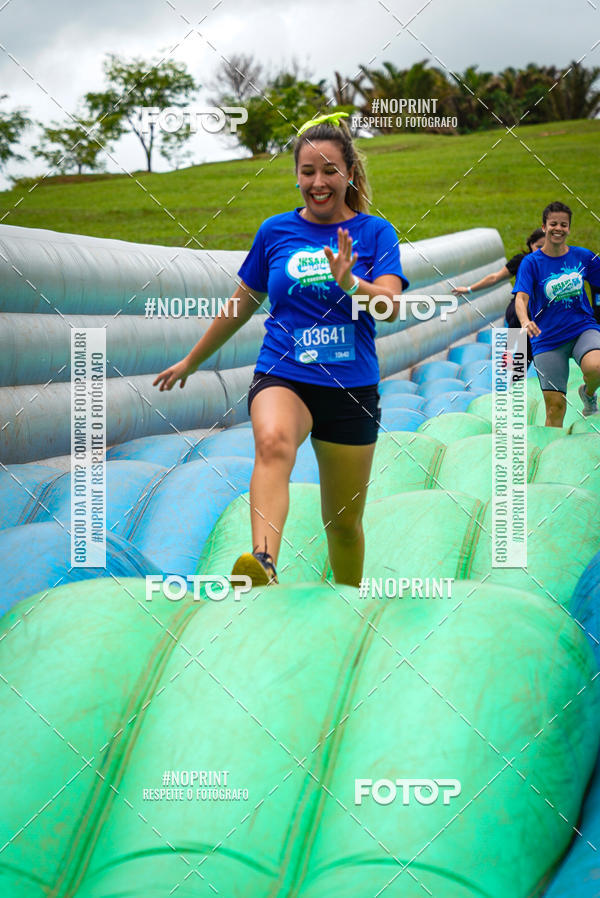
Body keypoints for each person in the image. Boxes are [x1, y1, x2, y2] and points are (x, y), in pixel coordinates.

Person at [153, 112, 408, 587]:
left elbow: (391, 306)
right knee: (272, 444)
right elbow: (240, 305)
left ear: (349, 173)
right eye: (307, 171)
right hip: (284, 371)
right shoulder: (274, 232)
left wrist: (352, 282)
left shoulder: (375, 233)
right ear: (296, 176)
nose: (318, 181)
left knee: (344, 525)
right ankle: (263, 563)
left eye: (329, 170)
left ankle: (350, 605)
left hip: (350, 387)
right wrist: (192, 360)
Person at [513, 201, 600, 427]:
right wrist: (524, 320)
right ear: (544, 227)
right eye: (553, 224)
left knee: (597, 367)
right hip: (547, 338)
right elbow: (521, 297)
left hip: (582, 328)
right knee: (555, 409)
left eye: (563, 224)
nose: (558, 228)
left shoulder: (583, 257)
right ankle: (553, 455)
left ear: (569, 228)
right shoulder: (531, 263)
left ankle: (589, 393)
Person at [452, 228, 545, 367]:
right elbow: (495, 278)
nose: (541, 250)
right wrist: (469, 289)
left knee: (530, 354)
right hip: (520, 309)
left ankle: (518, 366)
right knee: (520, 348)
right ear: (531, 245)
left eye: (545, 247)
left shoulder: (555, 263)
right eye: (538, 246)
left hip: (540, 310)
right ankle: (509, 360)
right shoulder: (521, 261)